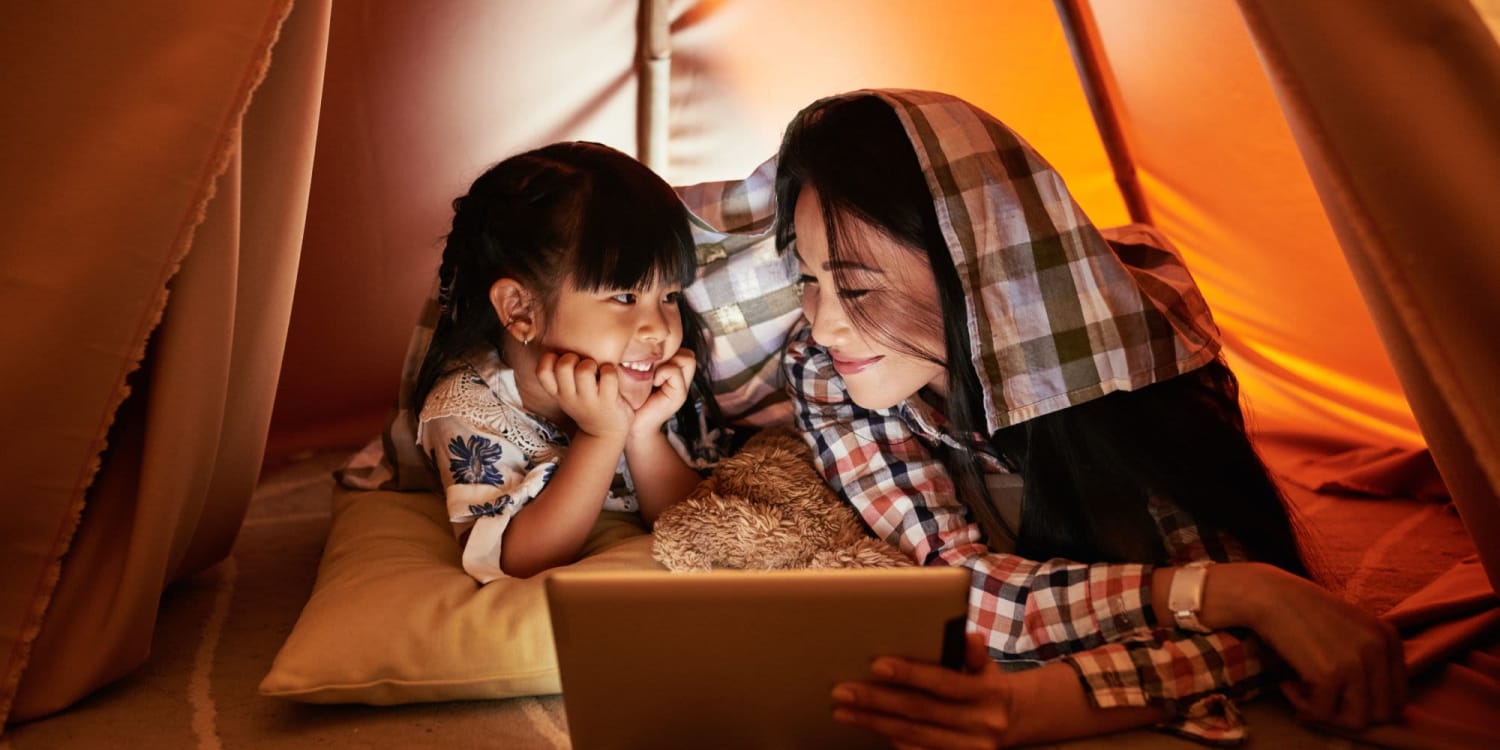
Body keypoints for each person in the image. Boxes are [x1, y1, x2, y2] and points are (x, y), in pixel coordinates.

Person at [774, 90, 1405, 746]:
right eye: (808, 280)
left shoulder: (1126, 363)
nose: (822, 324)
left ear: (975, 268)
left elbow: (1275, 627)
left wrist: (1249, 598)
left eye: (855, 287)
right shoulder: (826, 372)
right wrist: (1238, 594)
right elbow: (956, 587)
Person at [412, 142, 724, 582]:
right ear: (520, 310)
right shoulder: (468, 408)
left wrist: (641, 433)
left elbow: (700, 527)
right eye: (624, 296)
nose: (659, 329)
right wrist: (601, 436)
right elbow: (518, 559)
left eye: (669, 296)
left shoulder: (653, 378)